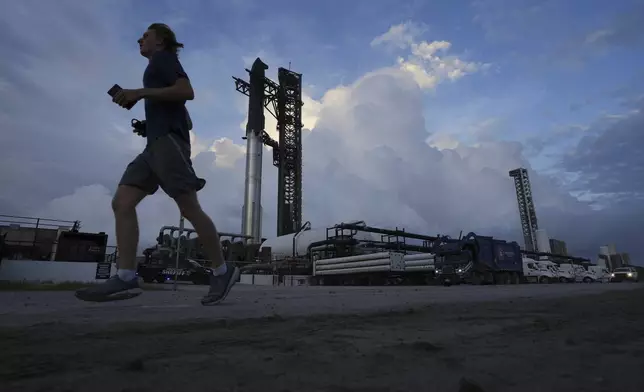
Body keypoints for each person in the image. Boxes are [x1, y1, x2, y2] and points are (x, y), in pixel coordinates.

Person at [75, 23, 239, 305]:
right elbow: (183, 115)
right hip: (154, 145)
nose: (140, 39)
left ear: (161, 41)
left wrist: (140, 93)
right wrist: (148, 123)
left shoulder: (163, 60)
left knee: (189, 209)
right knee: (122, 202)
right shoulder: (155, 66)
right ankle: (126, 275)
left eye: (146, 35)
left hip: (167, 146)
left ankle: (222, 271)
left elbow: (186, 91)